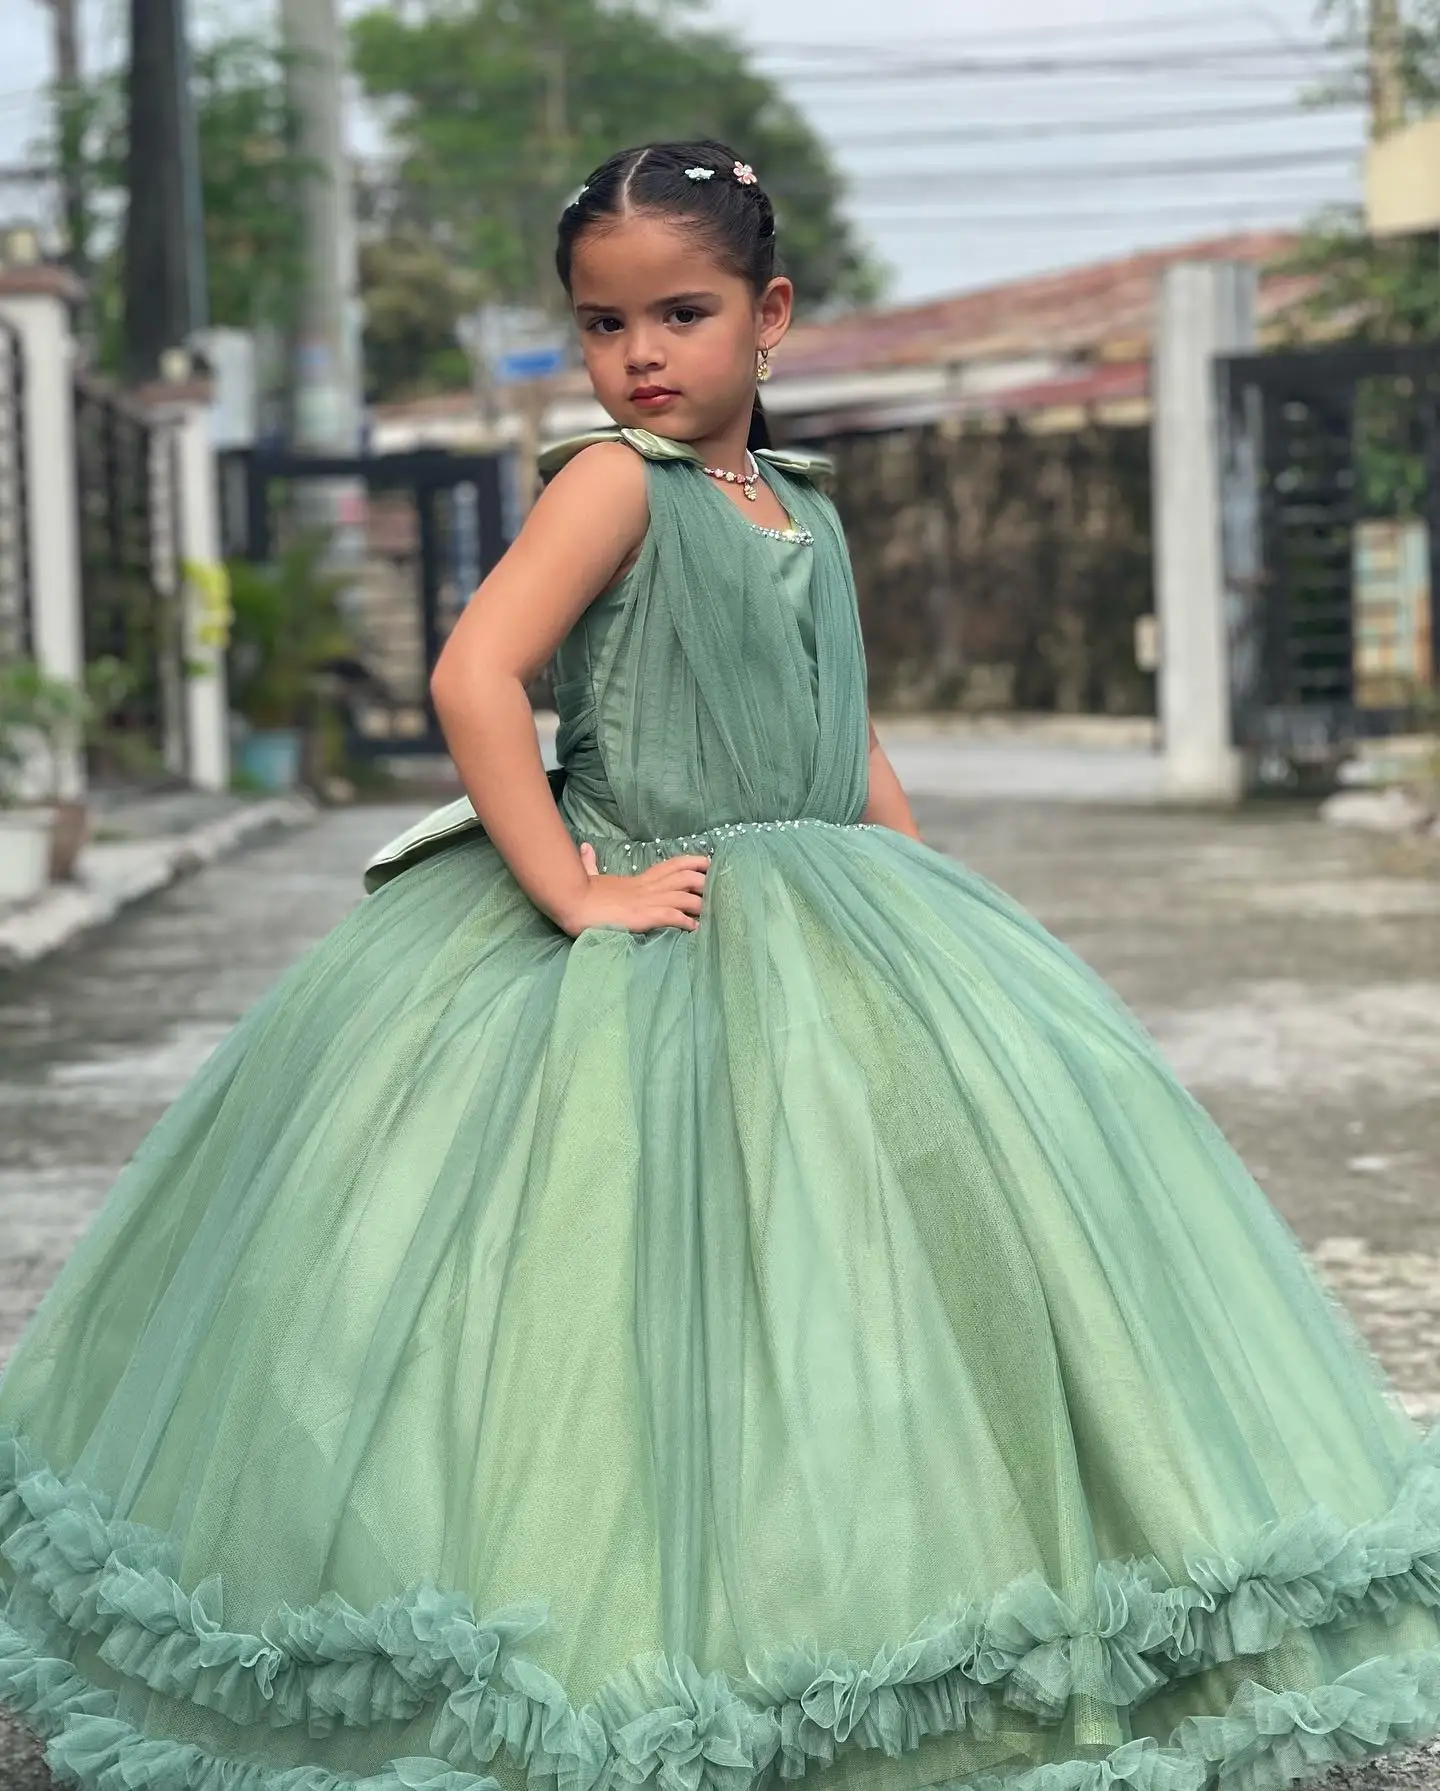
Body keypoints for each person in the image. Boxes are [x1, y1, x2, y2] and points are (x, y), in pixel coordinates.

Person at [3, 139, 1440, 1791]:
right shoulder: (612, 482)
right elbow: (478, 675)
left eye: (678, 313)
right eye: (602, 325)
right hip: (652, 902)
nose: (640, 356)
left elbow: (840, 722)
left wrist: (919, 898)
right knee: (619, 1289)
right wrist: (572, 889)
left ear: (770, 314)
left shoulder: (802, 500)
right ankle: (623, 1646)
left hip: (837, 912)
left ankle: (950, 1596)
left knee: (880, 1273)